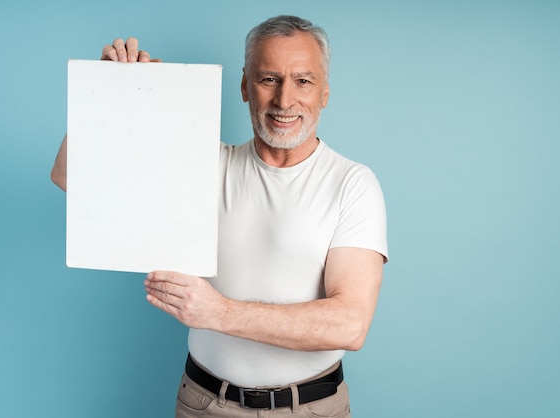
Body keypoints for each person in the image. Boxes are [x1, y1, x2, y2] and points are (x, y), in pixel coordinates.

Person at [51, 15, 388, 417]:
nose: (284, 100)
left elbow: (350, 324)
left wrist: (219, 312)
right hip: (203, 404)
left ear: (325, 92)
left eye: (303, 81)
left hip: (311, 408)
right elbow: (69, 176)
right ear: (245, 86)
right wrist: (109, 93)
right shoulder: (200, 165)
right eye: (268, 79)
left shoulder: (352, 183)